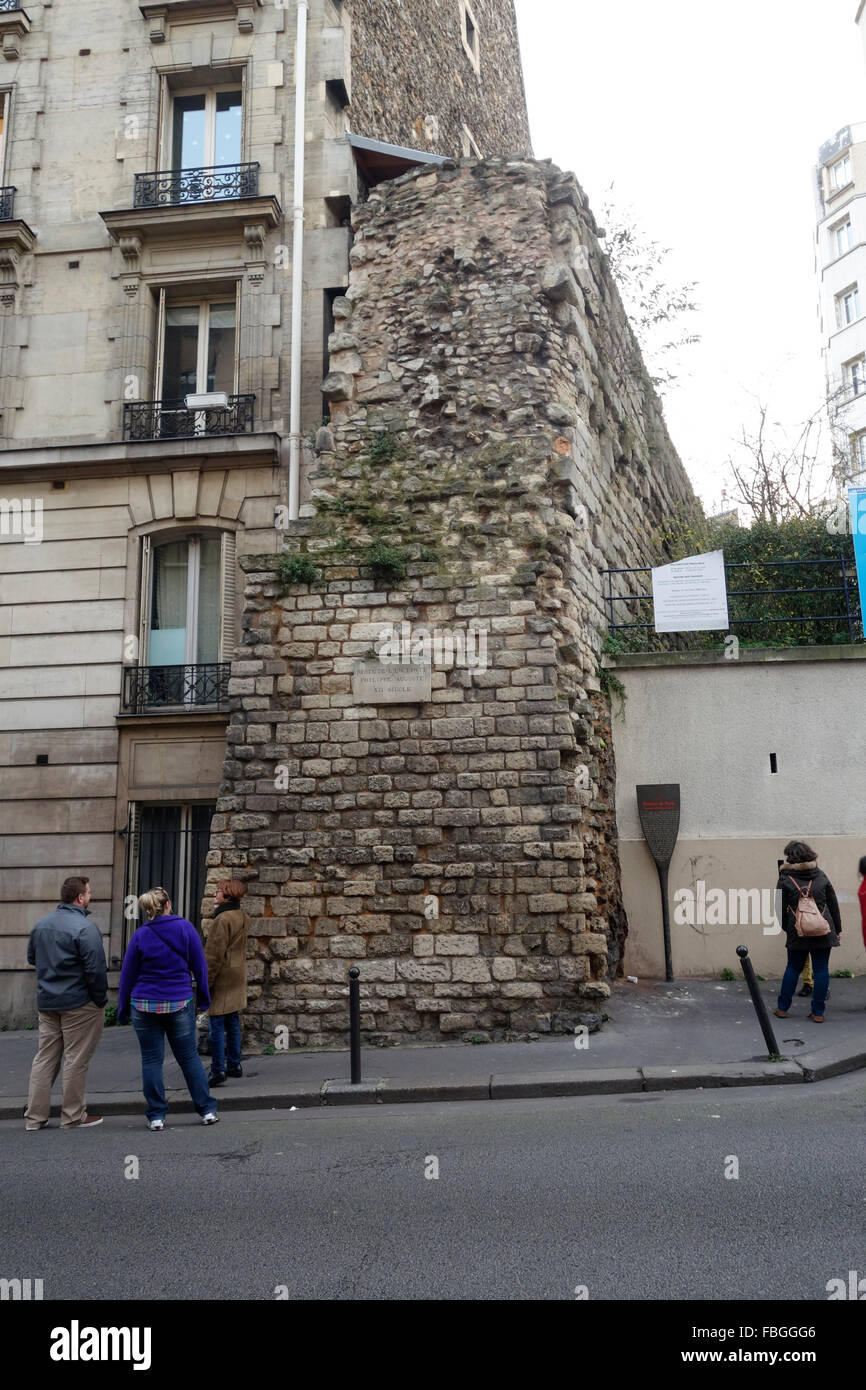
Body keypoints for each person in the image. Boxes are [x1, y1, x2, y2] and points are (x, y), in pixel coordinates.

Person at [118, 887, 218, 1129]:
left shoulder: (140, 936)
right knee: (188, 1057)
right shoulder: (185, 928)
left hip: (143, 1003)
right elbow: (200, 967)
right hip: (179, 1001)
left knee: (151, 1059)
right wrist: (204, 999)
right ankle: (206, 1110)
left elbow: (127, 976)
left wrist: (122, 1009)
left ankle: (156, 1116)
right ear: (168, 904)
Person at [24, 875, 108, 1130]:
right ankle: (72, 1116)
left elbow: (32, 958)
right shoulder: (85, 928)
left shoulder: (41, 925)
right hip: (79, 1002)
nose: (90, 896)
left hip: (48, 1001)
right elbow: (96, 970)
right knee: (75, 1058)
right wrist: (100, 999)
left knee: (45, 1058)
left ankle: (34, 1118)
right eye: (89, 892)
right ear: (80, 897)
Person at [773, 841, 842, 1023]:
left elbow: (778, 908)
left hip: (797, 931)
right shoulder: (820, 875)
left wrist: (786, 928)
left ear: (790, 857)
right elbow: (833, 904)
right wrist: (839, 929)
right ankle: (818, 1012)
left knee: (793, 968)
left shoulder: (784, 878)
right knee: (821, 969)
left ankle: (782, 1009)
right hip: (823, 929)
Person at [204, 879, 251, 1086]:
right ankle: (234, 1064)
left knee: (216, 1024)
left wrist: (206, 982)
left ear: (228, 896)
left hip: (223, 976)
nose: (215, 895)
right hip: (237, 973)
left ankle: (217, 1069)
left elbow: (214, 955)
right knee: (232, 1022)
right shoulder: (242, 916)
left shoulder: (222, 919)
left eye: (219, 892)